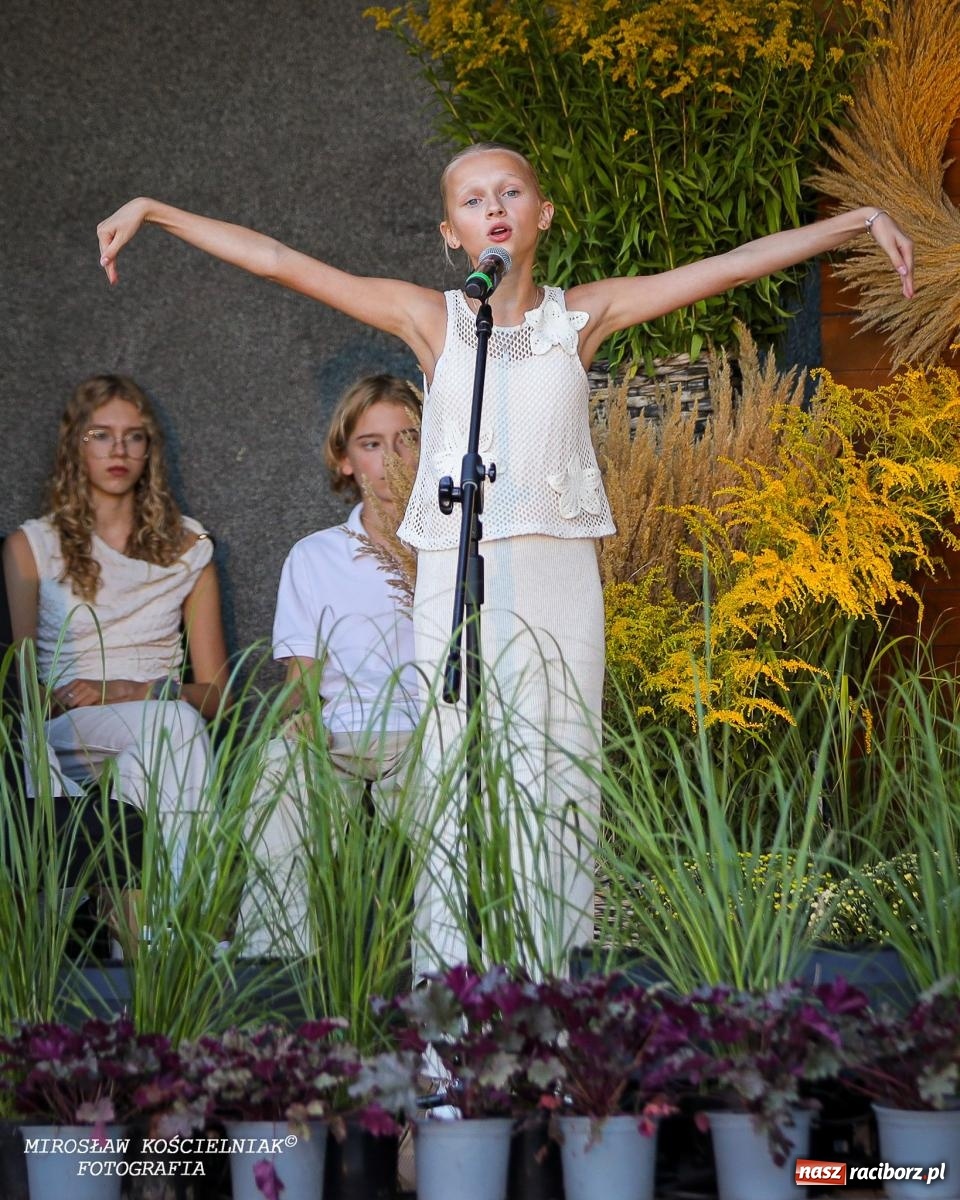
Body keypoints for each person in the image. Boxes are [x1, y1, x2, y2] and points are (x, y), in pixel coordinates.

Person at [96, 146, 914, 969]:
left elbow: (727, 268)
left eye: (511, 191)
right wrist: (156, 211)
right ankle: (452, 993)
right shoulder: (435, 320)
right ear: (451, 233)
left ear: (541, 214)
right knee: (455, 777)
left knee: (556, 777)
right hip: (459, 576)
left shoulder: (580, 316)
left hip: (558, 581)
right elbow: (281, 262)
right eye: (473, 198)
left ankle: (546, 985)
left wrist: (856, 220)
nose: (494, 207)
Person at [3, 374, 230, 883]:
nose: (118, 450)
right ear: (75, 445)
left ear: (150, 450)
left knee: (159, 745)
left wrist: (131, 690)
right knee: (173, 727)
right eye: (101, 435)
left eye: (134, 436)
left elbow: (219, 696)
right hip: (68, 728)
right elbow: (19, 685)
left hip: (159, 718)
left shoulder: (190, 547)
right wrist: (68, 698)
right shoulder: (33, 546)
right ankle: (183, 916)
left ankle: (140, 920)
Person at [240, 373, 422, 955]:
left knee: (445, 782)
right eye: (371, 444)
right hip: (340, 734)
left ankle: (447, 974)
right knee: (279, 771)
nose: (391, 459)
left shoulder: (457, 546)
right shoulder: (315, 556)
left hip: (428, 731)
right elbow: (301, 682)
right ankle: (279, 965)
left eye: (407, 438)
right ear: (346, 460)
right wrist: (298, 718)